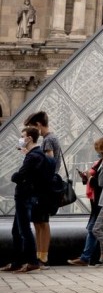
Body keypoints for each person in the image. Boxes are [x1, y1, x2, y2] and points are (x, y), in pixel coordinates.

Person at [23, 111, 60, 267]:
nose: (32, 130)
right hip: (47, 185)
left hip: (45, 186)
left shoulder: (48, 140)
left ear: (38, 125)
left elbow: (49, 162)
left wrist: (30, 155)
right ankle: (41, 255)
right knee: (39, 222)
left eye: (32, 126)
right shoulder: (52, 138)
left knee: (42, 222)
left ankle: (42, 257)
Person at [6, 126, 45, 273]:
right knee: (17, 230)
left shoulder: (33, 156)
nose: (21, 139)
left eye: (22, 136)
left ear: (29, 138)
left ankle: (32, 262)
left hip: (24, 196)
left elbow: (18, 176)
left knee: (24, 230)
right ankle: (17, 262)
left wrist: (15, 176)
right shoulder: (36, 154)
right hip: (28, 195)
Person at [70, 135, 103, 266]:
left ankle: (90, 257)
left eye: (98, 149)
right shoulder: (101, 162)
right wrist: (86, 177)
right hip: (97, 201)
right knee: (98, 230)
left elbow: (101, 183)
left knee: (95, 229)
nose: (97, 152)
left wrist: (89, 178)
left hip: (102, 201)